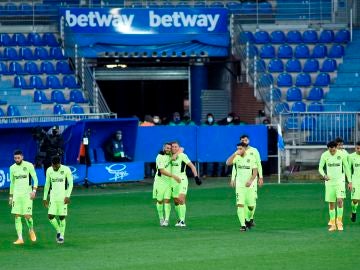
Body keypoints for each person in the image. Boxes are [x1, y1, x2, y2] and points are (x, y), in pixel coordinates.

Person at [318, 141, 352, 231]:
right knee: (331, 203)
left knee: (340, 201)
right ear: (328, 148)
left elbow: (347, 168)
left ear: (336, 147)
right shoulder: (324, 155)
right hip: (329, 183)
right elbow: (320, 168)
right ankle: (333, 224)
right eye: (330, 149)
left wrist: (350, 181)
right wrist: (324, 175)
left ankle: (339, 222)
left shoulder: (342, 155)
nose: (332, 151)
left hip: (340, 182)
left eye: (333, 149)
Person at [226, 142, 258, 232]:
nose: (238, 150)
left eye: (240, 149)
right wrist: (234, 154)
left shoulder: (251, 157)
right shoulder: (236, 157)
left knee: (251, 206)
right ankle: (243, 225)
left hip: (250, 186)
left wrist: (251, 180)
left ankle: (248, 219)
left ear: (244, 149)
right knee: (240, 204)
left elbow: (255, 171)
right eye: (237, 149)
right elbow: (228, 163)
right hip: (240, 186)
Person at [9, 150, 39, 245]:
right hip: (17, 196)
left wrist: (34, 191)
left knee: (27, 216)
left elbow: (36, 179)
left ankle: (31, 229)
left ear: (22, 157)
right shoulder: (12, 168)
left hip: (27, 195)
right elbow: (12, 183)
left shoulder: (29, 165)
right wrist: (11, 196)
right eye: (15, 158)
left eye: (18, 158)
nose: (17, 160)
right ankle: (20, 238)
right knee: (17, 216)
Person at [43, 155, 73, 244]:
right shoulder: (49, 170)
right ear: (52, 164)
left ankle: (61, 236)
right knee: (50, 216)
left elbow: (70, 184)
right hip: (53, 197)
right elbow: (47, 184)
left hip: (63, 197)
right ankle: (59, 231)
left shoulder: (66, 169)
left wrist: (68, 196)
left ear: (60, 164)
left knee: (61, 217)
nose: (55, 167)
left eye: (56, 166)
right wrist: (45, 198)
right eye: (53, 166)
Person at [170, 141, 201, 227]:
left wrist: (196, 177)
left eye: (176, 147)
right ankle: (180, 219)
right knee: (176, 201)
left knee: (181, 199)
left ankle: (183, 221)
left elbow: (192, 166)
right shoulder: (169, 156)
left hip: (182, 180)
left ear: (178, 147)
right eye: (173, 147)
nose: (174, 148)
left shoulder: (183, 155)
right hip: (173, 181)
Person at [152, 142, 181, 226]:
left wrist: (176, 154)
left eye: (170, 148)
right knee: (159, 201)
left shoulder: (170, 155)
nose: (168, 149)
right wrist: (174, 176)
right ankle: (161, 218)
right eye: (167, 148)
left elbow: (181, 149)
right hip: (159, 182)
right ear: (163, 148)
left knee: (167, 200)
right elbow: (162, 171)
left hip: (168, 182)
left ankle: (166, 220)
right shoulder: (159, 157)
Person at [239, 134, 264, 228]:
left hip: (253, 180)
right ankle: (246, 220)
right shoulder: (239, 152)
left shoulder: (254, 151)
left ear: (248, 141)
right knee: (244, 201)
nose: (244, 141)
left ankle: (251, 218)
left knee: (252, 200)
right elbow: (235, 166)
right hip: (242, 181)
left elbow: (258, 164)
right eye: (242, 140)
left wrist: (260, 177)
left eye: (245, 140)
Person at [201, 113, 221, 178]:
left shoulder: (216, 125)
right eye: (208, 117)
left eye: (211, 117)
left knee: (215, 158)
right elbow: (202, 134)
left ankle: (215, 173)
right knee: (205, 159)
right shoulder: (203, 125)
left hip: (214, 144)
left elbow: (218, 134)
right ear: (207, 118)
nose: (210, 118)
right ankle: (204, 173)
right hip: (206, 145)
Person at [348, 141, 360, 222]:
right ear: (355, 148)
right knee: (355, 200)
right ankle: (354, 211)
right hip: (355, 180)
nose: (359, 150)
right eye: (358, 148)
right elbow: (348, 170)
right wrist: (349, 182)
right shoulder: (351, 156)